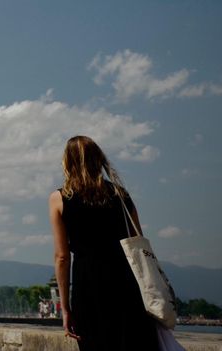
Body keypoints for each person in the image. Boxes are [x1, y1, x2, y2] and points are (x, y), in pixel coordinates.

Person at [49, 135, 157, 351]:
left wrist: (66, 308)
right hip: (127, 289)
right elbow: (139, 246)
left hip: (88, 290)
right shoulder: (121, 195)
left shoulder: (60, 198)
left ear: (68, 163)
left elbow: (62, 257)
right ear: (98, 160)